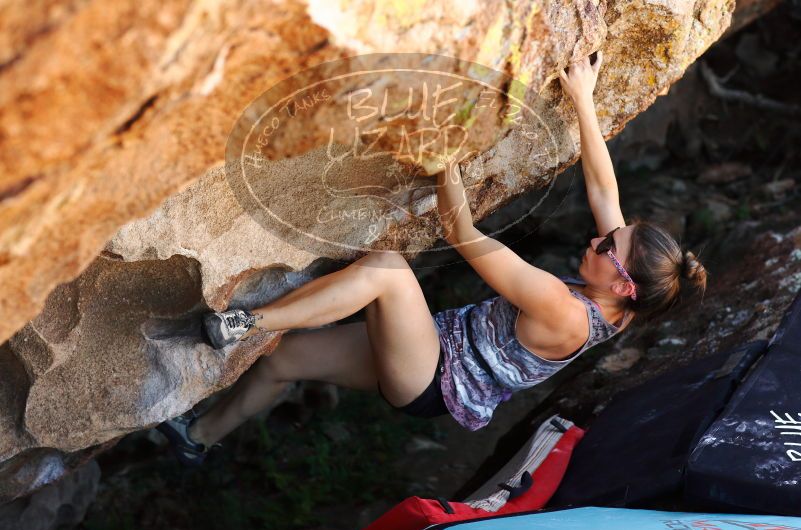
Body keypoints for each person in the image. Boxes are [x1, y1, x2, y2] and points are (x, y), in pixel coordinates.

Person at [156, 50, 708, 465]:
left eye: (609, 247)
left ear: (623, 284)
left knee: (388, 270)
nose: (597, 240)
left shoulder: (562, 310)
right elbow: (605, 193)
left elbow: (461, 233)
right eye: (611, 236)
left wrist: (446, 157)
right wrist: (584, 97)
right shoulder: (629, 297)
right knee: (284, 362)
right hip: (439, 344)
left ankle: (246, 323)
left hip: (434, 377)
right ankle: (196, 438)